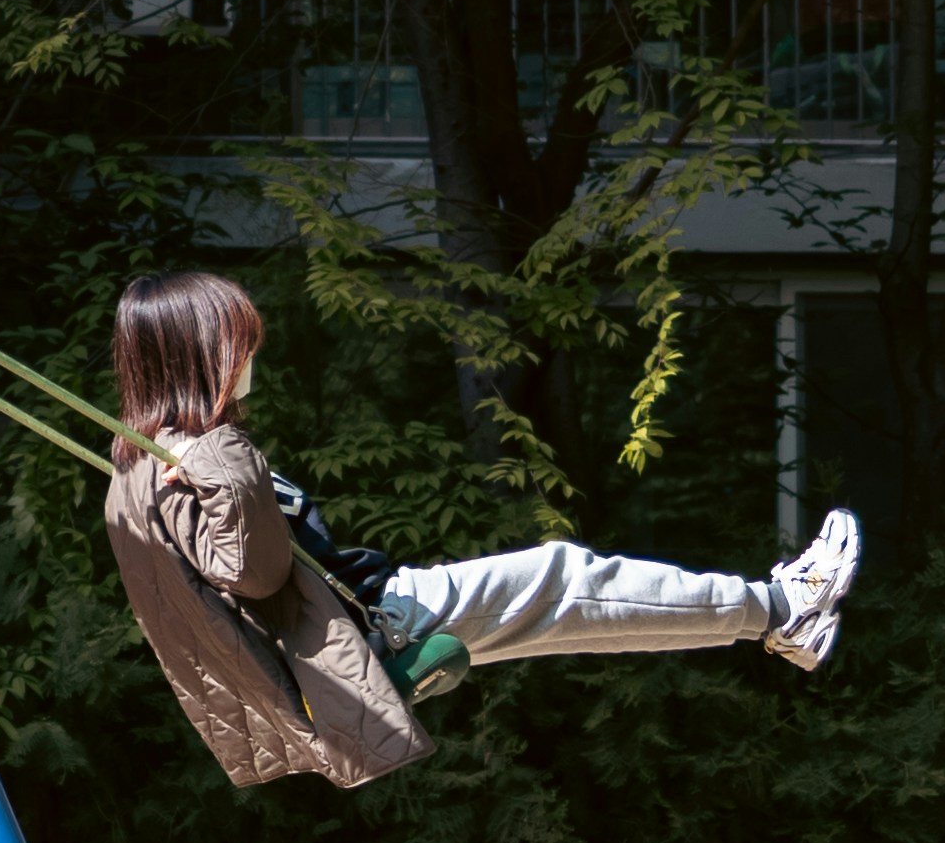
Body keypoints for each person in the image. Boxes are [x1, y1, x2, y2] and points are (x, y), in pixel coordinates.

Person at [97, 268, 859, 792]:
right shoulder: (182, 463)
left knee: (571, 613)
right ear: (201, 359)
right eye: (241, 348)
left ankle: (775, 620)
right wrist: (223, 463)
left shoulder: (159, 462)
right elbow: (254, 572)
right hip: (376, 627)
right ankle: (783, 608)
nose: (251, 361)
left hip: (366, 616)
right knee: (568, 581)